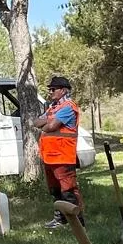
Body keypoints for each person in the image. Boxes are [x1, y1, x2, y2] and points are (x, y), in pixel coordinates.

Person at [34, 76, 83, 229]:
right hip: (50, 157)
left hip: (63, 156)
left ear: (63, 90)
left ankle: (78, 224)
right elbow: (36, 122)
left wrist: (47, 124)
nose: (50, 92)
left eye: (53, 89)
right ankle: (60, 220)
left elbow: (51, 126)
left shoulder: (68, 107)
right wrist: (47, 123)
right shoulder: (52, 107)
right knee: (55, 190)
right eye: (49, 89)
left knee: (68, 190)